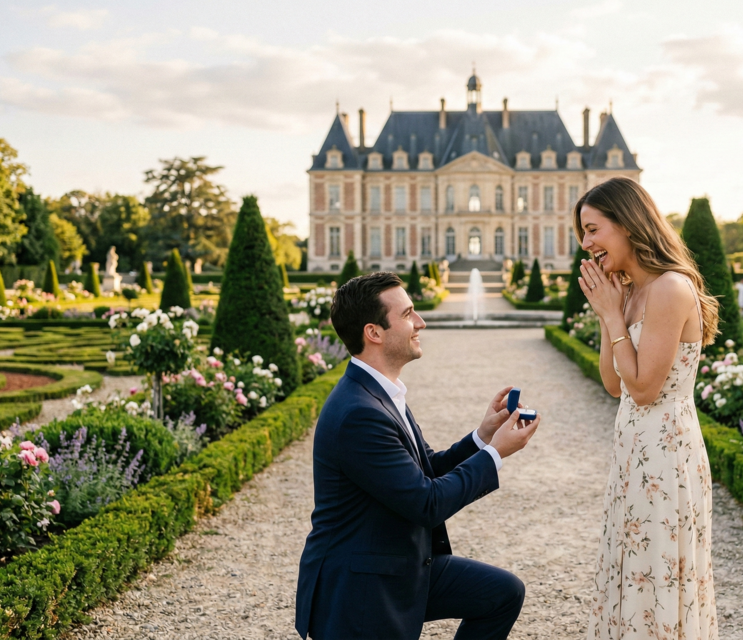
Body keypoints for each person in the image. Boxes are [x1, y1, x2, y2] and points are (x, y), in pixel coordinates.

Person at [295, 271, 541, 640]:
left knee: (502, 593)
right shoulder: (359, 413)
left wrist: (483, 435)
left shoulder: (379, 392)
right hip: (361, 586)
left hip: (397, 563)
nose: (421, 322)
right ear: (373, 333)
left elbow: (426, 470)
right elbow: (426, 502)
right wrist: (494, 454)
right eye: (409, 313)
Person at [573, 177, 719, 639]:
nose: (586, 242)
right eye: (583, 232)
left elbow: (644, 389)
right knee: (633, 565)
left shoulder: (671, 288)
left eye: (594, 229)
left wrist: (613, 314)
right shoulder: (632, 290)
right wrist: (608, 311)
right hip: (634, 452)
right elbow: (613, 383)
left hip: (665, 455)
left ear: (628, 224)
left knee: (658, 572)